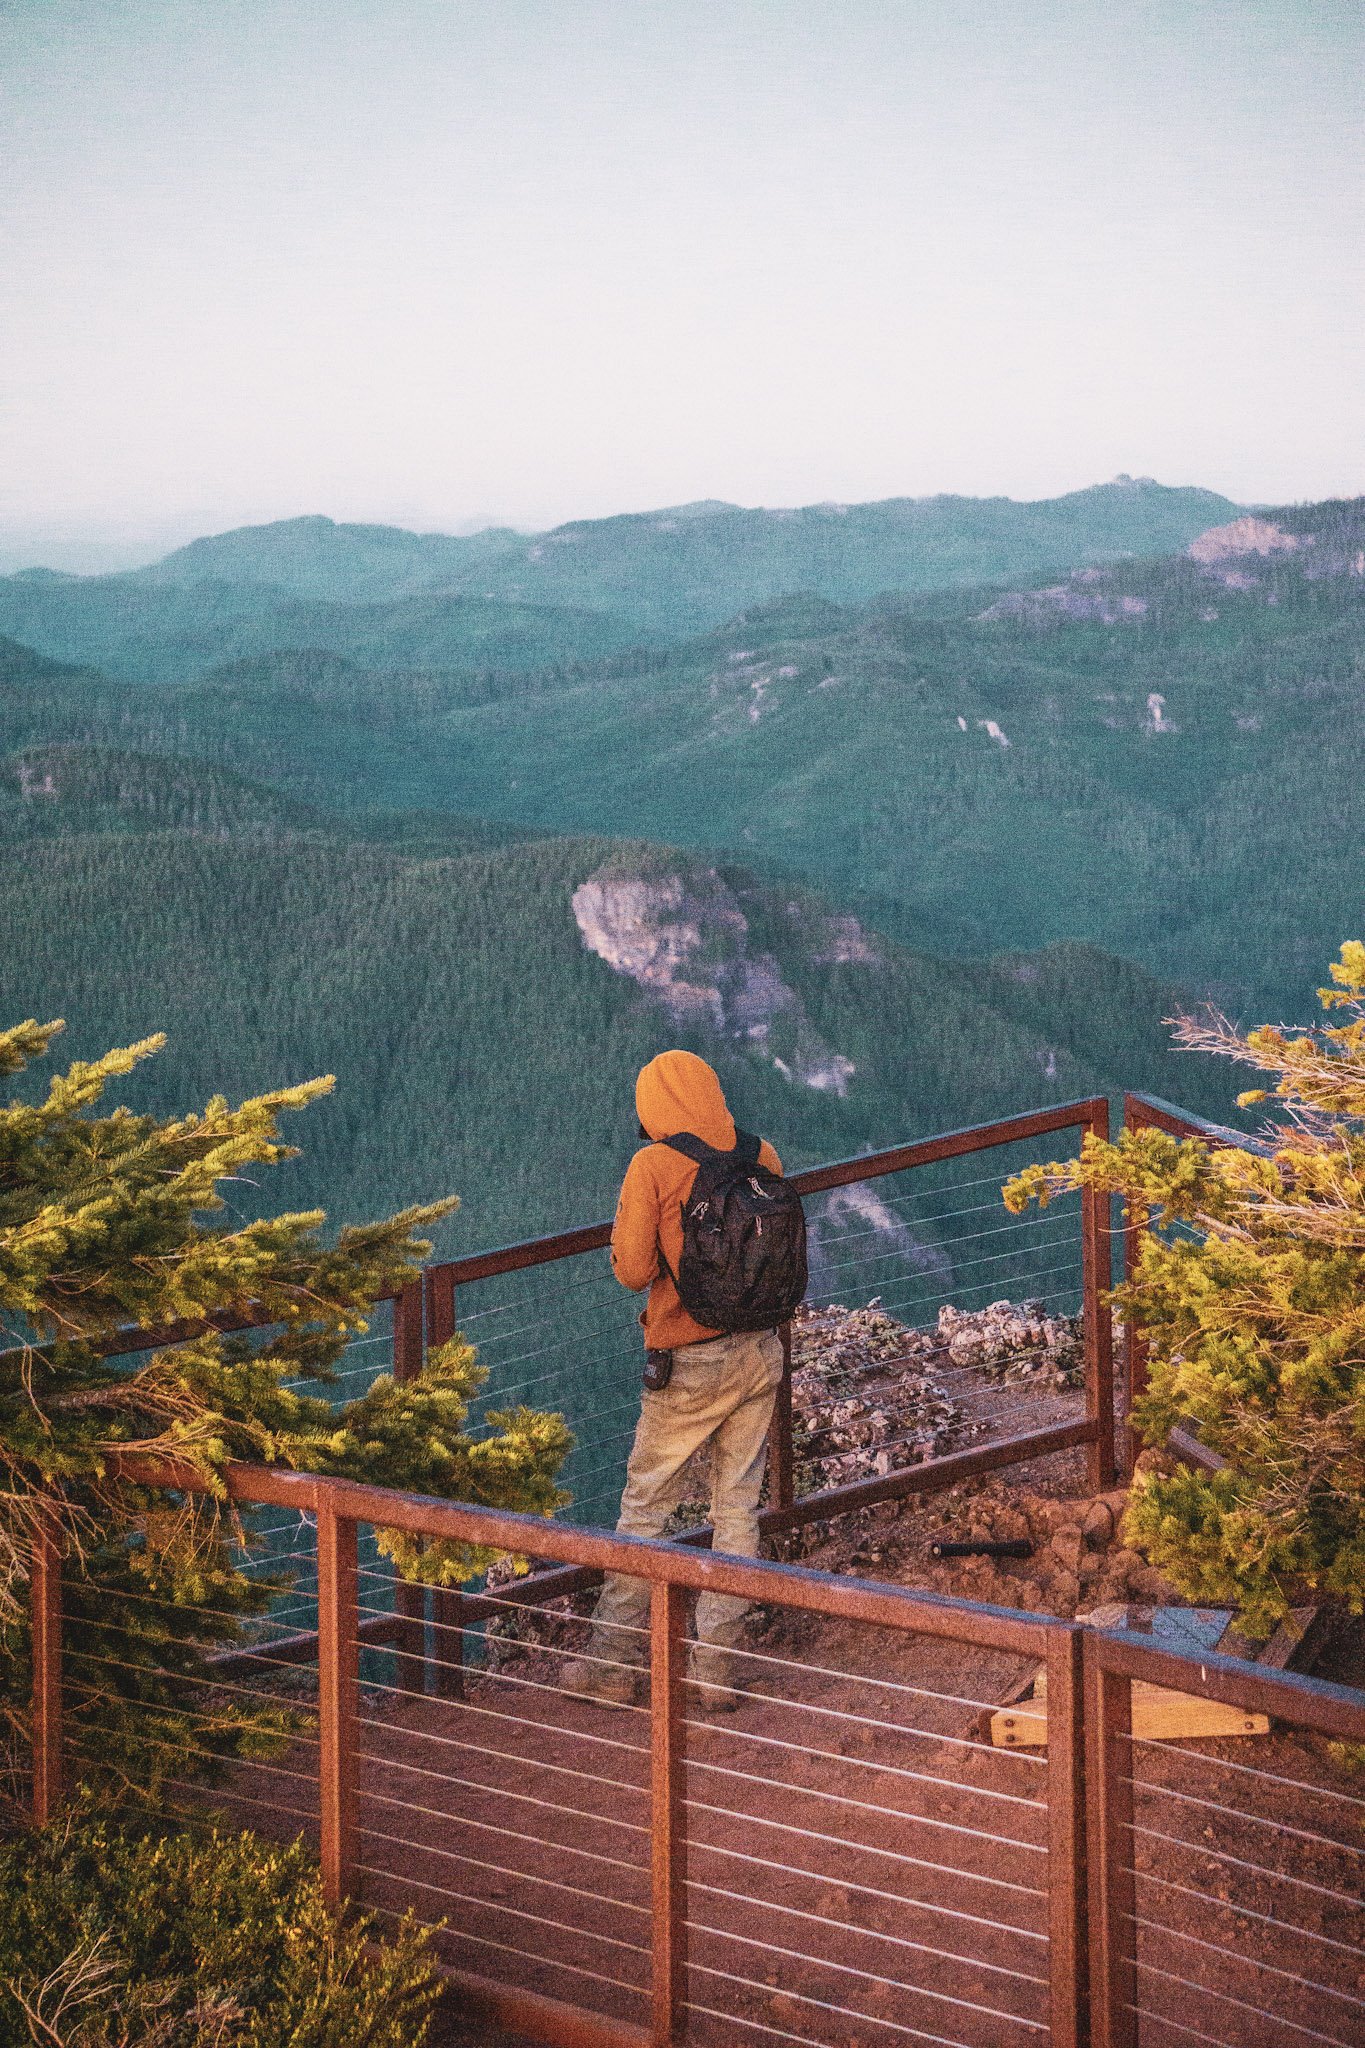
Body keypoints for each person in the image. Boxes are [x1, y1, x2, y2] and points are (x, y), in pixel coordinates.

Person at [560, 1049, 787, 1711]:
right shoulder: (761, 1153)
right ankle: (715, 1672)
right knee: (737, 1511)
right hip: (758, 1350)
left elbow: (632, 1270)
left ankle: (610, 1666)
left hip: (688, 1362)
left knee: (645, 1512)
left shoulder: (653, 1164)